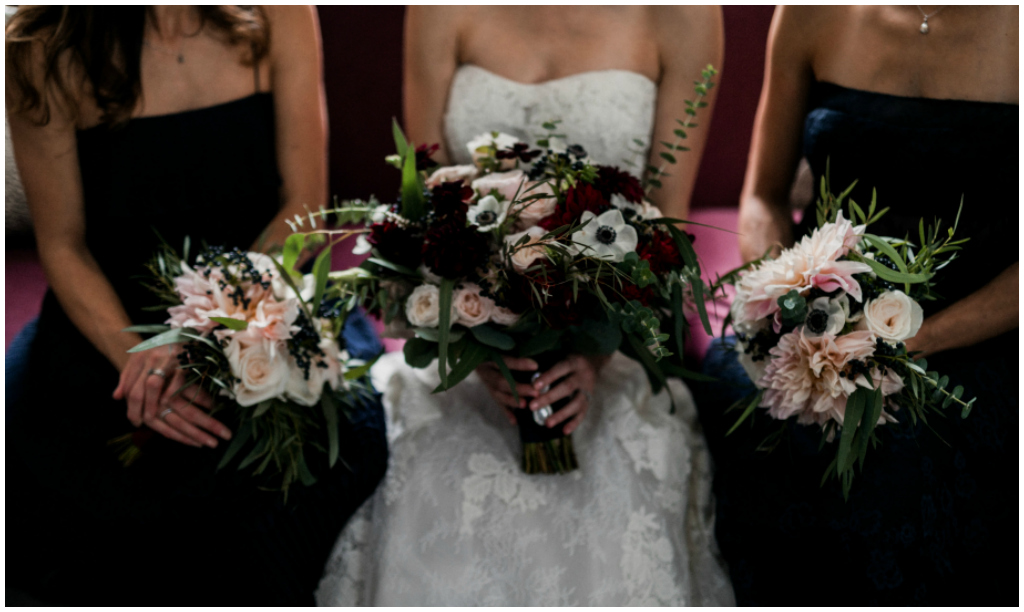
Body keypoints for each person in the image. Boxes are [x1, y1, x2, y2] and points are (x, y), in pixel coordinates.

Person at [316, 7, 734, 606]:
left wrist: (593, 354)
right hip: (464, 338)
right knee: (435, 476)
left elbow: (663, 227)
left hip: (608, 343)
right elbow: (427, 200)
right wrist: (472, 339)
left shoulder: (686, 17)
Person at [5, 6, 387, 605]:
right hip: (114, 337)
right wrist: (147, 361)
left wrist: (217, 335)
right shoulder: (38, 49)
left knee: (293, 486)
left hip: (265, 308)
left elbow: (304, 206)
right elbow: (63, 243)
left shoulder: (280, 13)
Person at [698, 6, 1018, 605]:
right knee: (730, 403)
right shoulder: (810, 13)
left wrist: (906, 344)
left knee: (906, 460)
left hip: (975, 330)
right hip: (816, 318)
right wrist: (788, 302)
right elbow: (763, 196)